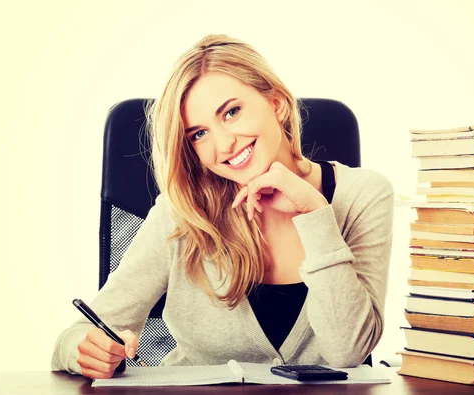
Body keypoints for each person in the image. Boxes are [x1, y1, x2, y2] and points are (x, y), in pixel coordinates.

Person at [51, 34, 394, 379]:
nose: (224, 144)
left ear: (276, 102)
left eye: (231, 112)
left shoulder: (364, 194)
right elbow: (72, 339)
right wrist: (87, 350)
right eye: (199, 134)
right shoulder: (183, 212)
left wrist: (314, 215)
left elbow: (347, 351)